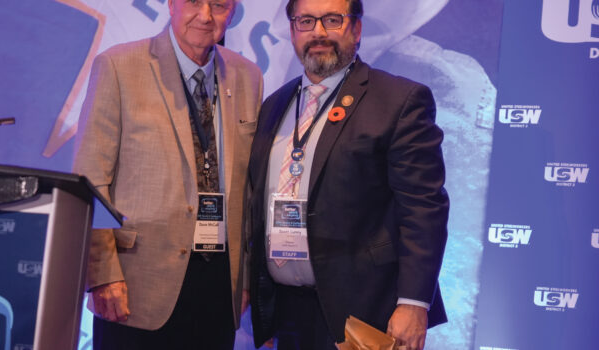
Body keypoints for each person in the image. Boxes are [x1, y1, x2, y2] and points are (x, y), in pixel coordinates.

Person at [247, 0, 449, 349]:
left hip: (367, 315)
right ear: (293, 31)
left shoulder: (398, 100)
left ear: (356, 29)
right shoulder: (274, 106)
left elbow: (424, 209)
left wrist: (414, 304)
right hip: (288, 312)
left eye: (332, 20)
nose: (319, 32)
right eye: (307, 21)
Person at [73, 0, 263, 348]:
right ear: (172, 4)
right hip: (135, 286)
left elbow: (250, 188)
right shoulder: (118, 65)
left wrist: (245, 276)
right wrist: (101, 276)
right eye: (193, 1)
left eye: (219, 5)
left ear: (232, 11)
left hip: (218, 286)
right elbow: (90, 179)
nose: (205, 16)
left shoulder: (248, 76)